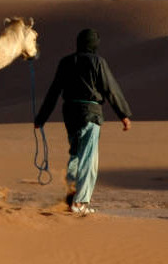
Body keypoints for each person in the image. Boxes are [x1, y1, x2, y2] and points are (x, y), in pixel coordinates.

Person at [33, 28, 132, 215]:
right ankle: (79, 203)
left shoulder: (65, 62)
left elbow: (53, 92)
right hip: (90, 114)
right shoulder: (98, 62)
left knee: (76, 153)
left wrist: (41, 118)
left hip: (70, 113)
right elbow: (111, 89)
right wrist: (123, 115)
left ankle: (71, 192)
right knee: (89, 158)